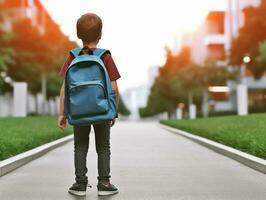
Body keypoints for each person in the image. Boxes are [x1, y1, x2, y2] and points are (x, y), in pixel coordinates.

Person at [57, 13, 121, 197]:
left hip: (78, 111)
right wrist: (112, 110)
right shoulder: (105, 56)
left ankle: (80, 184)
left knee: (80, 146)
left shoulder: (72, 56)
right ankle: (104, 183)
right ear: (100, 34)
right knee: (103, 146)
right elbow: (114, 88)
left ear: (78, 34)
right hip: (102, 110)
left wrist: (62, 113)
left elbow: (64, 88)